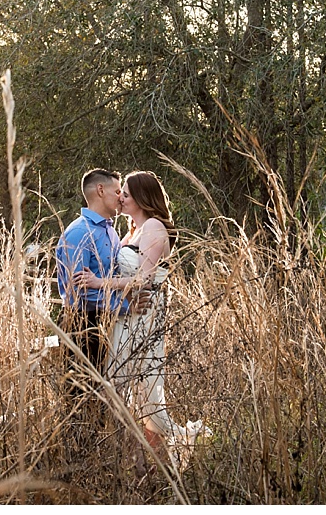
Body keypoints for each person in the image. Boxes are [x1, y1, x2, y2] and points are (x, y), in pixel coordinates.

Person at [73, 170, 208, 467]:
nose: (121, 198)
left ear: (142, 199)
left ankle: (170, 446)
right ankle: (136, 461)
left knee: (145, 388)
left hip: (146, 316)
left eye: (127, 194)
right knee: (121, 385)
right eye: (120, 193)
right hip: (126, 316)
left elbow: (144, 280)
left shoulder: (155, 228)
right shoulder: (131, 231)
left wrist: (97, 283)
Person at [55, 168, 144, 402]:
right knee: (80, 399)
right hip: (83, 325)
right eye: (117, 191)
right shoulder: (78, 233)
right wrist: (126, 306)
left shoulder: (111, 232)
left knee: (102, 399)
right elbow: (81, 293)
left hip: (107, 323)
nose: (120, 197)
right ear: (100, 190)